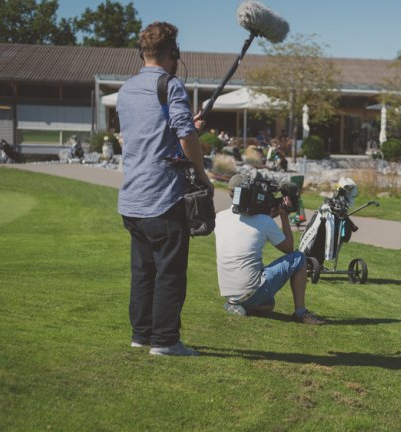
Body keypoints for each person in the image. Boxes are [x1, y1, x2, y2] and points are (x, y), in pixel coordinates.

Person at [116, 22, 212, 356]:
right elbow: (186, 137)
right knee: (169, 273)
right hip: (163, 198)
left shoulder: (126, 90)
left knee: (143, 272)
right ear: (174, 54)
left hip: (131, 199)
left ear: (142, 53)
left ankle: (141, 334)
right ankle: (166, 341)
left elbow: (155, 132)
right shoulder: (170, 86)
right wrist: (202, 174)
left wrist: (186, 126)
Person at [215, 174, 325, 325]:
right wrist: (284, 216)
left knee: (269, 305)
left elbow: (250, 226)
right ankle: (301, 313)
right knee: (299, 258)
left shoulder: (220, 217)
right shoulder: (264, 221)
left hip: (230, 294)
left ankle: (235, 305)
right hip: (251, 290)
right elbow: (289, 249)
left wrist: (269, 215)